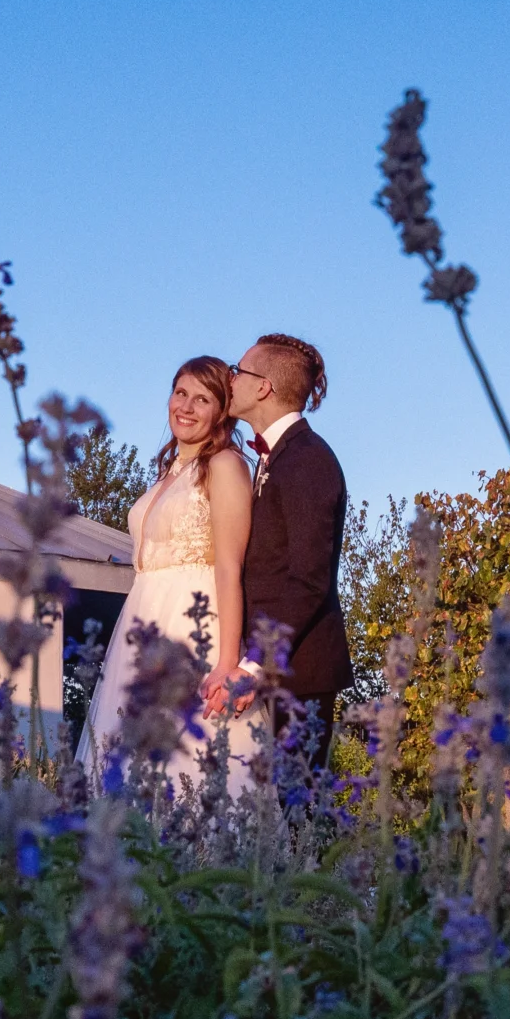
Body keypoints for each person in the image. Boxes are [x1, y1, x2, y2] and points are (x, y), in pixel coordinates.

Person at [81, 355, 263, 795]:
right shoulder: (169, 473)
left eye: (202, 399)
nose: (186, 406)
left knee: (189, 767)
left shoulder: (225, 465)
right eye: (181, 392)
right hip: (142, 623)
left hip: (192, 623)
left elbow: (229, 566)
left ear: (222, 411)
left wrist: (226, 663)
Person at [205, 332, 352, 774]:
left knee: (301, 817)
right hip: (277, 671)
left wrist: (252, 666)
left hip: (301, 673)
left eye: (238, 371)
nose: (229, 380)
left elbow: (308, 580)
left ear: (263, 386)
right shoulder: (276, 458)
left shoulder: (307, 458)